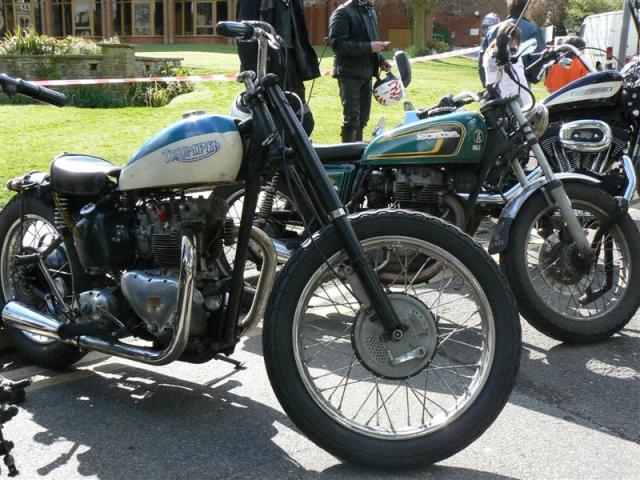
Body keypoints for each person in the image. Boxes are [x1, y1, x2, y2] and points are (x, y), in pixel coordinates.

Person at [236, 0, 320, 135]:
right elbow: (244, 36)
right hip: (266, 66)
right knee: (272, 121)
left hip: (291, 64)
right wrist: (253, 75)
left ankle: (297, 147)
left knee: (303, 119)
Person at [329, 0, 392, 143]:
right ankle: (347, 154)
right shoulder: (343, 12)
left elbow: (371, 40)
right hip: (348, 73)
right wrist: (369, 47)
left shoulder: (371, 12)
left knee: (363, 120)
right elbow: (337, 45)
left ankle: (357, 153)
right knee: (352, 120)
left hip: (366, 73)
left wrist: (380, 59)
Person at [479, 0, 545, 86]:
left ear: (509, 8)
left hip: (495, 84)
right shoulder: (533, 30)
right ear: (526, 9)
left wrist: (485, 82)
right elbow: (539, 57)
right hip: (520, 83)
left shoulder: (493, 30)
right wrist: (533, 77)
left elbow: (482, 56)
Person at [482, 21, 533, 107]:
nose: (516, 42)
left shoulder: (514, 53)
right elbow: (492, 71)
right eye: (514, 38)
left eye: (517, 39)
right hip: (506, 103)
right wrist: (501, 54)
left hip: (524, 102)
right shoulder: (491, 55)